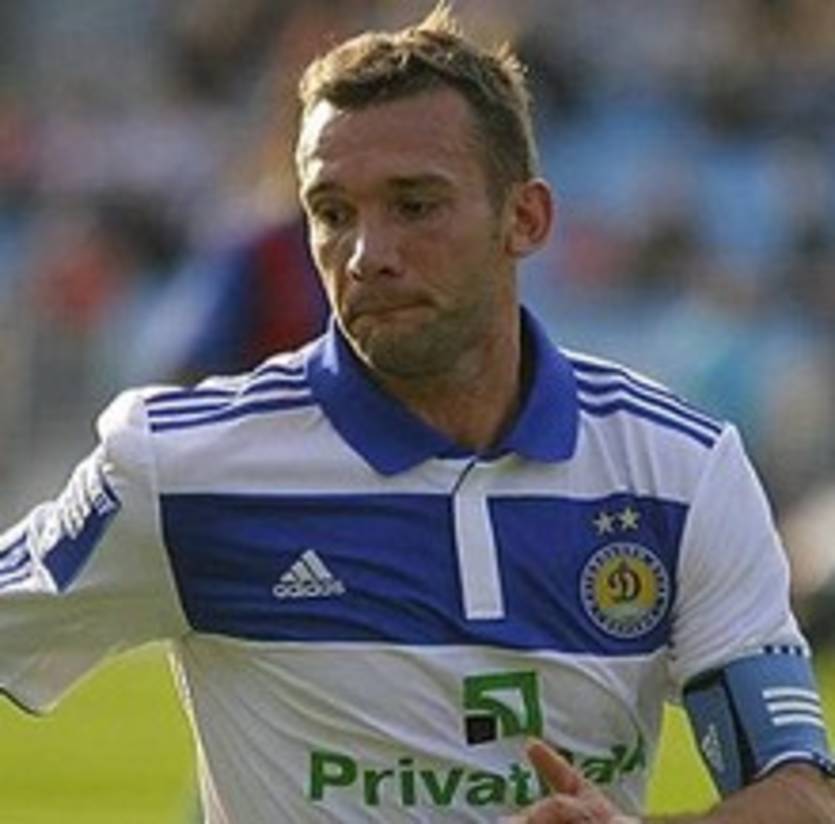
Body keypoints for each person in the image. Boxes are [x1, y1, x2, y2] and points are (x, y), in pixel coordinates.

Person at [1, 3, 833, 821]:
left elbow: (800, 793)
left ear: (525, 218)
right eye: (332, 213)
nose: (367, 255)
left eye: (414, 205)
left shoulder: (678, 471)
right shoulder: (178, 469)